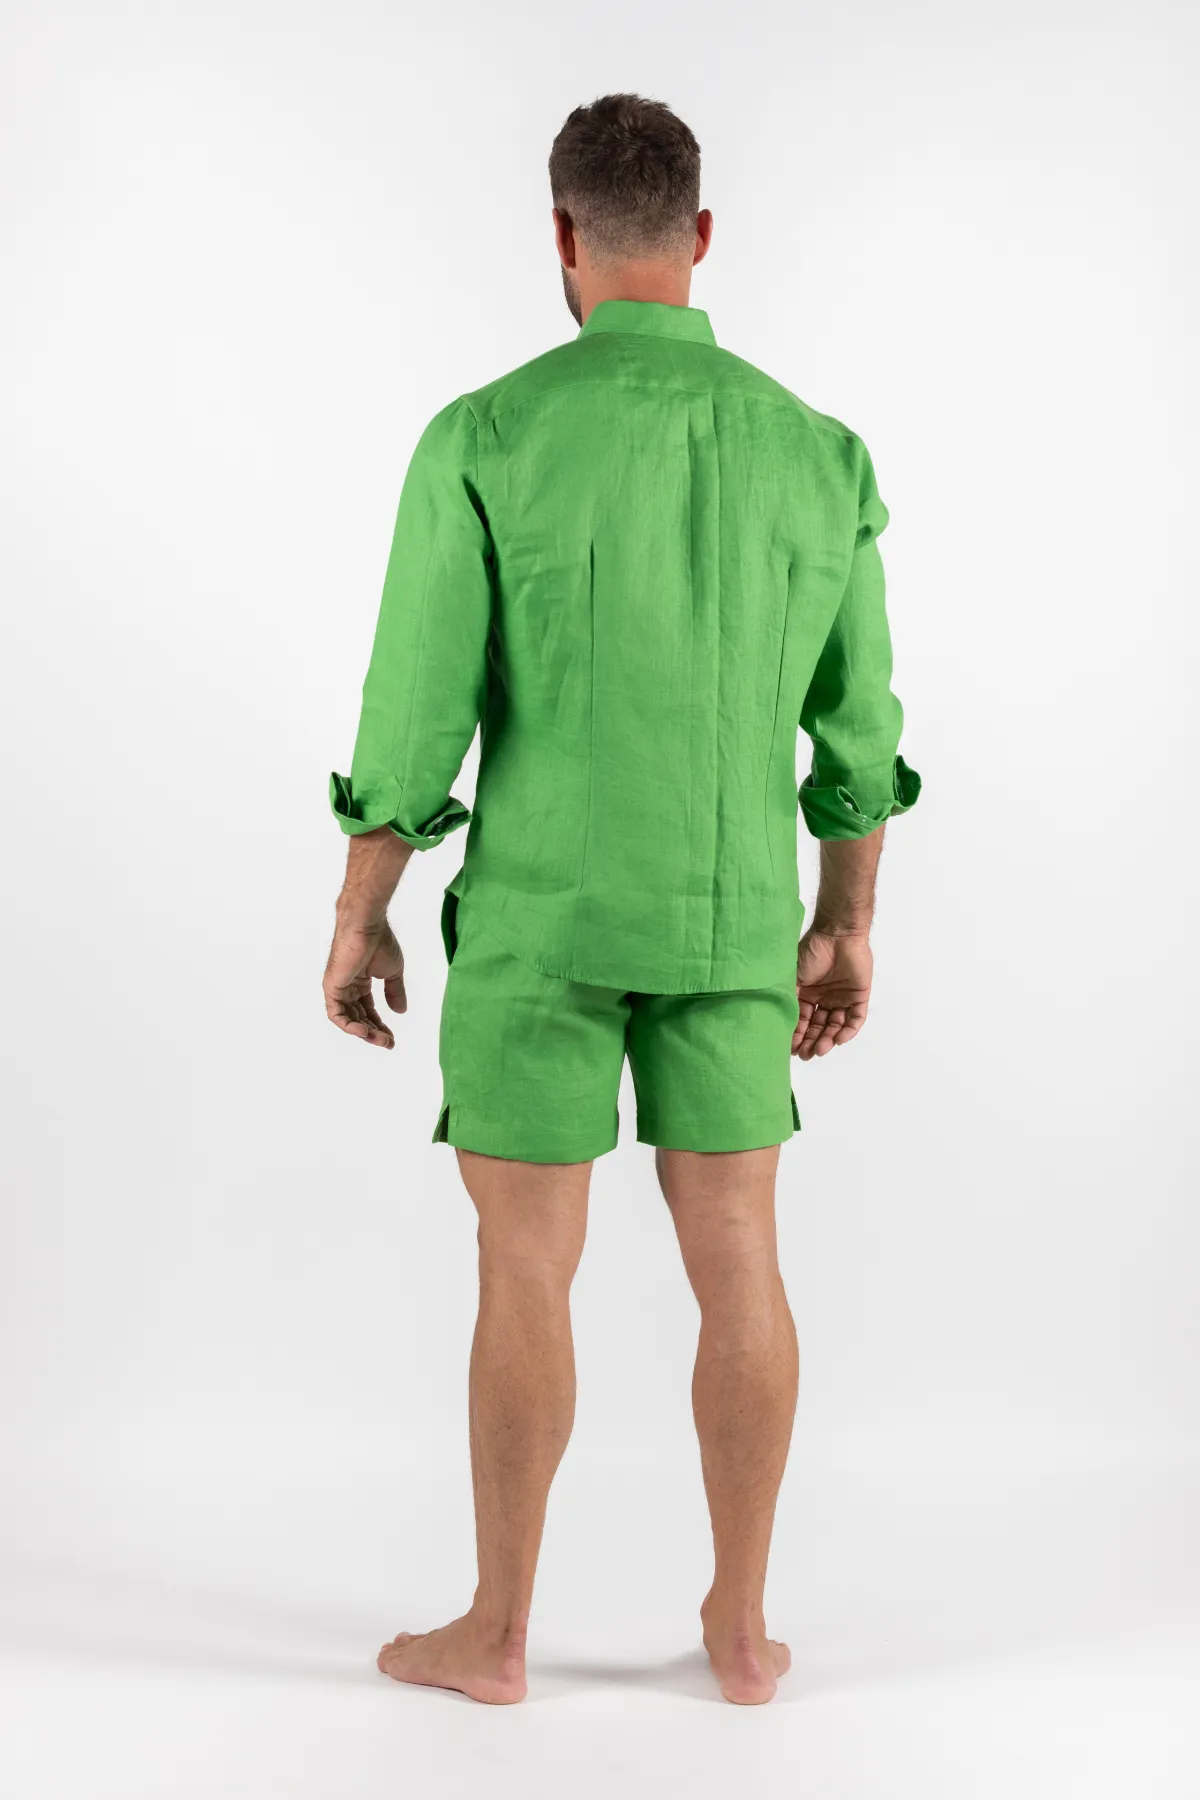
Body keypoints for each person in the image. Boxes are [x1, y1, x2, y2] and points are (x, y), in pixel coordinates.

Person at [322, 93, 919, 1706]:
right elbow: (859, 731)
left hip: (541, 925)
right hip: (732, 922)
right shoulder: (820, 453)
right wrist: (845, 916)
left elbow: (414, 711)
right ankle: (742, 1630)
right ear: (702, 235)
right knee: (741, 1258)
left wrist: (362, 907)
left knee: (525, 1269)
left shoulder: (487, 435)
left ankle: (499, 1634)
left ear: (564, 237)